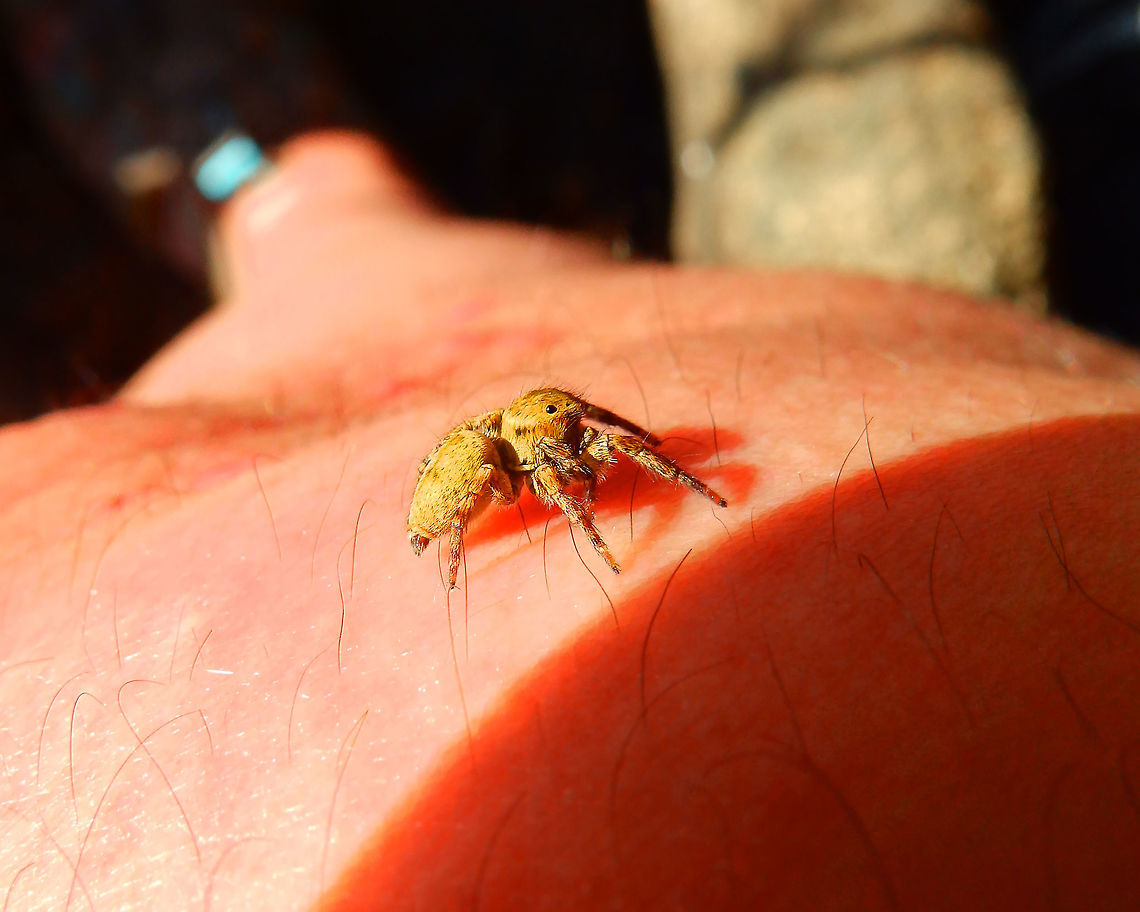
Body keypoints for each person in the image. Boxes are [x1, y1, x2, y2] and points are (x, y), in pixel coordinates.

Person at [1, 132, 1138, 910]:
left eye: (584, 426)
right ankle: (301, 186)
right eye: (580, 428)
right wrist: (613, 524)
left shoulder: (549, 434)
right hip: (448, 478)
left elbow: (590, 438)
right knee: (355, 240)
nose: (597, 436)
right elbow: (561, 466)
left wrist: (667, 479)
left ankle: (264, 179)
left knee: (334, 245)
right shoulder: (524, 459)